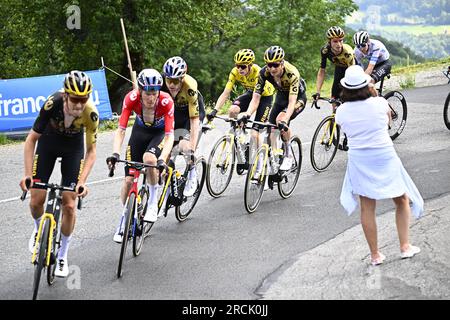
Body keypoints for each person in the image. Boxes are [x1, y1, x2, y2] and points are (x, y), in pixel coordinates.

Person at [335, 65, 423, 266]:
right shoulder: (380, 103)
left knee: (367, 205)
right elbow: (388, 121)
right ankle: (405, 246)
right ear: (367, 85)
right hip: (384, 154)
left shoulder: (341, 111)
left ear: (346, 88)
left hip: (359, 159)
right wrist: (374, 95)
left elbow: (345, 127)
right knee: (401, 198)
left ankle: (375, 255)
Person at [19, 70, 98, 277]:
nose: (79, 105)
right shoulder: (51, 103)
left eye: (84, 99)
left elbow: (91, 152)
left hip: (73, 150)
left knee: (70, 205)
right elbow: (30, 140)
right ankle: (38, 230)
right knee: (36, 200)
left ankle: (62, 255)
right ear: (65, 96)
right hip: (49, 143)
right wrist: (28, 174)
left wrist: (82, 182)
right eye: (75, 99)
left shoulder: (90, 113)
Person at [107, 69, 174, 243]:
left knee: (149, 160)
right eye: (147, 94)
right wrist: (115, 152)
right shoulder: (132, 98)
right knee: (129, 180)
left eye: (154, 93)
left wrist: (162, 159)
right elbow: (121, 130)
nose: (151, 98)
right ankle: (125, 218)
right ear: (140, 91)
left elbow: (169, 136)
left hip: (158, 135)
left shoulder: (166, 102)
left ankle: (152, 200)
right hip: (139, 133)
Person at [239, 46, 307, 172]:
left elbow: (292, 102)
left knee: (280, 120)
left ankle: (288, 155)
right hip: (281, 96)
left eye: (275, 65)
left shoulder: (292, 73)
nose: (272, 69)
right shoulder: (264, 72)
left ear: (282, 63)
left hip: (297, 99)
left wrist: (285, 120)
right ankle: (274, 161)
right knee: (271, 130)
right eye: (269, 65)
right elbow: (256, 98)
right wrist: (247, 114)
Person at [206, 48, 274, 170]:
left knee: (255, 133)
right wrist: (215, 110)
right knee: (232, 111)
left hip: (264, 97)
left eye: (243, 66)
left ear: (250, 65)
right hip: (250, 93)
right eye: (237, 66)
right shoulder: (234, 72)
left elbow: (256, 99)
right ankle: (240, 139)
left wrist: (247, 115)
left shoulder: (258, 72)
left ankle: (260, 164)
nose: (239, 69)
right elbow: (226, 92)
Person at [161, 56, 205, 197]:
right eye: (169, 80)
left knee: (185, 147)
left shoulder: (190, 86)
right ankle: (167, 187)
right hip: (173, 114)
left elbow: (194, 119)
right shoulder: (161, 84)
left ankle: (192, 173)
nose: (171, 85)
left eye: (175, 81)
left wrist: (192, 147)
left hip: (190, 115)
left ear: (182, 78)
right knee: (165, 154)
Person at [313, 26, 355, 103]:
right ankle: (334, 114)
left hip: (352, 69)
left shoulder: (347, 53)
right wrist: (318, 91)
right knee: (334, 98)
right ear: (329, 42)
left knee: (350, 96)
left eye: (341, 40)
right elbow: (322, 71)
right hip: (339, 68)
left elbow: (352, 73)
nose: (339, 44)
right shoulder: (325, 50)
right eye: (335, 41)